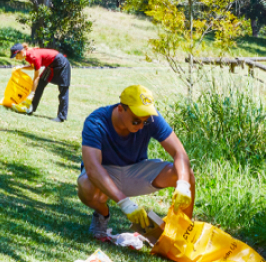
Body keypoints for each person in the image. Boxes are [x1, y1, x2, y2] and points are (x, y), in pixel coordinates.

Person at [77, 85, 195, 241]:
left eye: (144, 123)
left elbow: (179, 152)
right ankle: (102, 215)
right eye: (136, 121)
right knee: (85, 184)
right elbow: (92, 168)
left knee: (187, 175)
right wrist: (124, 203)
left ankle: (184, 232)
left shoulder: (151, 118)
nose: (141, 126)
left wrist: (183, 186)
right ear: (120, 109)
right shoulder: (96, 121)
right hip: (106, 174)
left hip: (136, 171)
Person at [9, 43, 71, 122]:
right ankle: (31, 108)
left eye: (16, 56)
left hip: (61, 63)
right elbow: (33, 67)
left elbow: (36, 77)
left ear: (21, 52)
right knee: (41, 84)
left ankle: (61, 117)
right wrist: (21, 67)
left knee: (63, 89)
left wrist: (32, 93)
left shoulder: (33, 56)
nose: (16, 59)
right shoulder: (27, 55)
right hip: (51, 64)